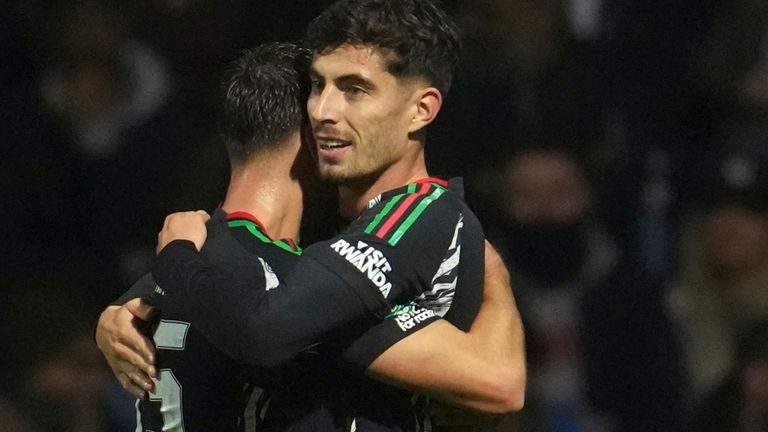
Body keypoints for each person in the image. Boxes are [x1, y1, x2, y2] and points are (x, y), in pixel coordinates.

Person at [97, 22, 524, 432]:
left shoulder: (183, 267)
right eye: (321, 98)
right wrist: (494, 276)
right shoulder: (282, 286)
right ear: (312, 137)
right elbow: (495, 382)